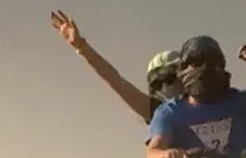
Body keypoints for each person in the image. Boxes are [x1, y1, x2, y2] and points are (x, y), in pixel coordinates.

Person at [50, 10, 182, 123]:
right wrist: (81, 47)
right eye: (159, 84)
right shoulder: (160, 113)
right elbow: (116, 80)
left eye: (171, 78)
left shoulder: (202, 101)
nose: (167, 88)